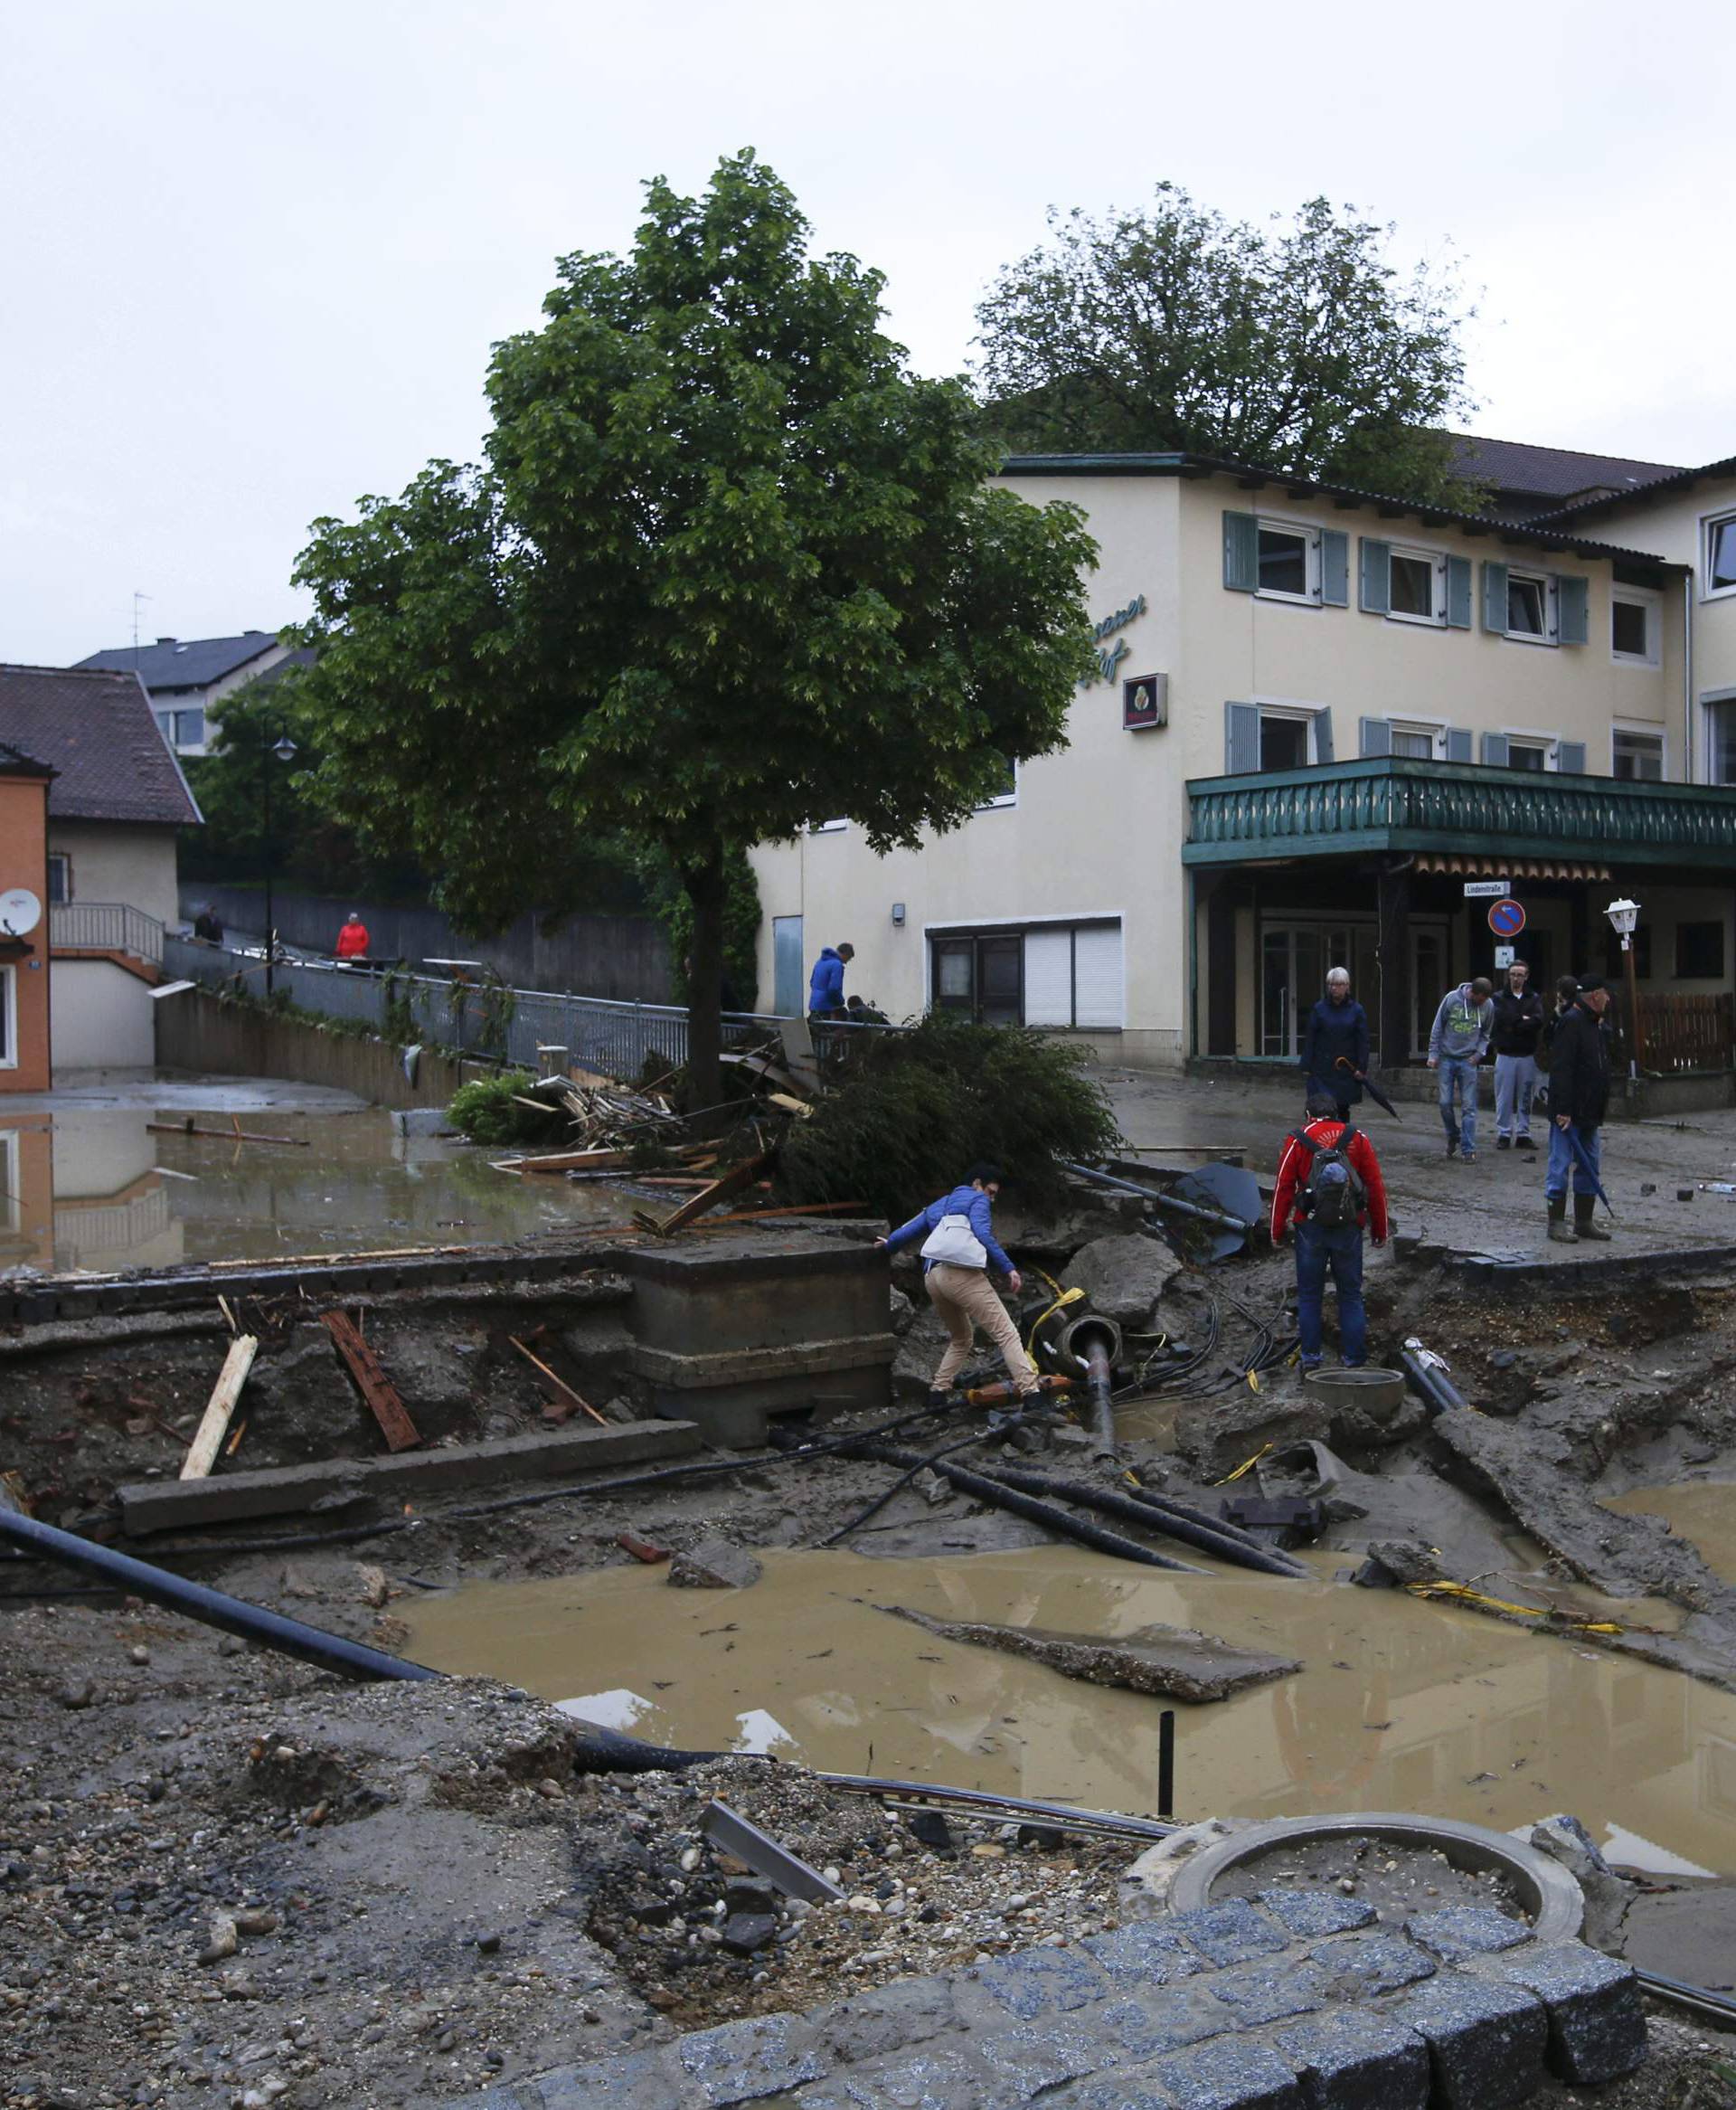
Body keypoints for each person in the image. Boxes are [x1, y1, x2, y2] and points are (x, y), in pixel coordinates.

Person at [877, 1162, 1040, 1405]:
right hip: (960, 1275)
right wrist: (1009, 1269)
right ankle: (1033, 1395)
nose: (992, 1200)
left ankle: (938, 1393)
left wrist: (888, 1245)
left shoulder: (940, 1204)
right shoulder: (978, 1199)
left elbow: (908, 1231)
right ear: (977, 1184)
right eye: (991, 1192)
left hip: (933, 1278)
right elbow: (983, 1234)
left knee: (961, 1338)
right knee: (1006, 1334)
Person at [1271, 1087, 1389, 1371]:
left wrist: (1276, 1230)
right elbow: (1374, 1185)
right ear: (1336, 1113)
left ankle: (1311, 1360)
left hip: (1309, 1227)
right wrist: (1379, 1229)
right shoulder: (1358, 1138)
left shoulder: (1297, 1140)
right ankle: (1355, 1362)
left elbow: (1284, 1188)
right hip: (1349, 1226)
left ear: (1308, 1115)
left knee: (1310, 1295)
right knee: (1350, 1295)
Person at [1544, 976, 1614, 1244]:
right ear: (1595, 995)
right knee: (1560, 1164)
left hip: (1590, 1111)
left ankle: (1584, 1221)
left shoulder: (1595, 1024)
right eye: (1606, 994)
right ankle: (1556, 1223)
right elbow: (1561, 1068)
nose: (1608, 1000)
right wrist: (1562, 1108)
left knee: (1590, 1165)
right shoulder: (1571, 1022)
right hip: (1569, 1111)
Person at [1427, 976, 1494, 1160]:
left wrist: (1479, 1054)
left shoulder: (1488, 1006)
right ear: (1473, 992)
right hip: (1447, 1057)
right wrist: (1433, 1054)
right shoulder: (1452, 999)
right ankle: (1453, 1135)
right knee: (1445, 1103)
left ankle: (1468, 1149)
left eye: (1485, 1000)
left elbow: (1486, 1033)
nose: (1482, 1003)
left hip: (1468, 1060)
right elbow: (1438, 1026)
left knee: (1469, 1106)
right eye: (1480, 999)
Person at [1489, 960, 1546, 1151]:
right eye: (1513, 974)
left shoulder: (1533, 998)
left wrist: (1514, 1023)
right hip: (1505, 1053)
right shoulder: (1499, 997)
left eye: (1520, 975)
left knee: (1525, 1096)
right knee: (1504, 1096)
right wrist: (1522, 1019)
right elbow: (1499, 1018)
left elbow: (1538, 1021)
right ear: (1508, 975)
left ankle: (1523, 1132)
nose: (1516, 978)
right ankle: (1504, 1133)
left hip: (1526, 1054)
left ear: (1526, 976)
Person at [1299, 967, 1369, 1123]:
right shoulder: (1319, 1009)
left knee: (1342, 1108)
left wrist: (1361, 1067)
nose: (1334, 988)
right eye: (1331, 984)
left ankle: (1341, 1144)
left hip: (1345, 1067)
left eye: (1338, 984)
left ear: (1347, 986)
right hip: (1322, 1067)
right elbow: (1311, 1038)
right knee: (1320, 1106)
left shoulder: (1357, 1011)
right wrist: (1306, 1065)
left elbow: (1363, 1041)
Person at [807, 941, 854, 1018]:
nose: (847, 962)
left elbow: (812, 982)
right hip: (827, 1008)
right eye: (849, 958)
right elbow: (834, 989)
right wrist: (841, 1002)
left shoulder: (820, 962)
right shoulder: (837, 965)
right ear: (845, 954)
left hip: (814, 1005)